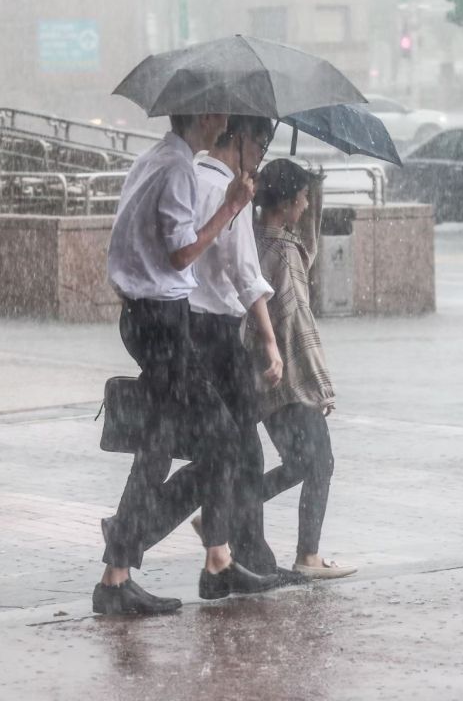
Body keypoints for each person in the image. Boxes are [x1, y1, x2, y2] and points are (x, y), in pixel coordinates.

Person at [97, 113, 283, 616]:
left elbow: (128, 240)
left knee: (159, 444)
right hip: (162, 321)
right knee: (224, 442)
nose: (223, 121)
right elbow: (182, 256)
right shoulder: (179, 170)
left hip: (152, 316)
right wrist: (231, 207)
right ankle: (129, 550)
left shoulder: (153, 160)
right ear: (204, 117)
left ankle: (135, 571)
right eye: (219, 114)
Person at [246, 158, 356, 580]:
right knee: (319, 463)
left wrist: (314, 185)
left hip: (264, 379)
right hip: (290, 380)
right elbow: (296, 328)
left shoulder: (256, 243)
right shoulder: (285, 255)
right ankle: (308, 556)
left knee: (297, 464)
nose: (308, 205)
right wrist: (319, 387)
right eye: (305, 198)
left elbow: (304, 245)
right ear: (290, 201)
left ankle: (223, 517)